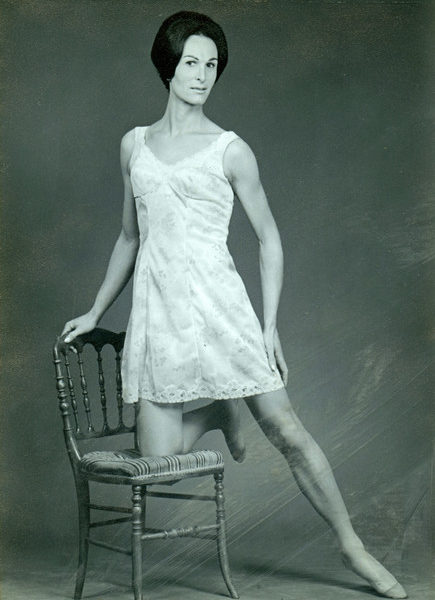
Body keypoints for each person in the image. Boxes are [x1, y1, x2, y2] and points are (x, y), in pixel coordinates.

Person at [61, 11, 407, 599]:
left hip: (222, 309)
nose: (202, 75)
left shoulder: (231, 150)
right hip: (161, 318)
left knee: (286, 431)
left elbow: (270, 239)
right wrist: (95, 312)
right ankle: (222, 412)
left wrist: (269, 326)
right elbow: (129, 236)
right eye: (191, 63)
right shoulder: (133, 146)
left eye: (212, 65)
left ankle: (353, 548)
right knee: (158, 455)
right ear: (168, 67)